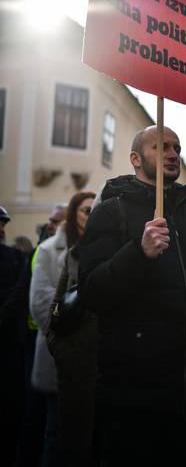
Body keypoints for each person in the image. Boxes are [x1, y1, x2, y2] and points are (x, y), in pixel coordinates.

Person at [77, 125, 186, 467]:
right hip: (133, 392)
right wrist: (138, 253)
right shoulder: (110, 212)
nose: (174, 154)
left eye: (177, 147)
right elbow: (92, 292)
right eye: (162, 147)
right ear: (135, 158)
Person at [29, 192, 95, 467]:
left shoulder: (98, 250)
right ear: (73, 214)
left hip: (91, 363)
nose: (90, 216)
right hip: (60, 359)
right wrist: (65, 349)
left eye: (95, 210)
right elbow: (41, 305)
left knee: (86, 442)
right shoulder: (47, 250)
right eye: (85, 211)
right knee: (56, 436)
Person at [16, 203, 67, 467]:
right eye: (50, 220)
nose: (50, 224)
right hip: (36, 344)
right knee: (38, 419)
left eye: (56, 220)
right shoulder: (43, 251)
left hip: (49, 347)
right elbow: (32, 300)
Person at [0, 206, 29, 467]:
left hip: (10, 345)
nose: (1, 228)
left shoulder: (15, 258)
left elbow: (20, 294)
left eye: (3, 223)